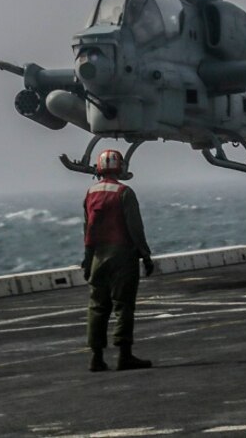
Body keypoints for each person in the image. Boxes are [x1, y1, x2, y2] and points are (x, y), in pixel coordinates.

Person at [81, 149, 154, 372]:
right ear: (120, 167)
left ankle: (96, 357)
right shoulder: (124, 192)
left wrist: (87, 260)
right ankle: (124, 355)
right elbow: (135, 227)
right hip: (122, 255)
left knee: (97, 306)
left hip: (97, 256)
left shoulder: (90, 193)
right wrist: (145, 254)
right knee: (123, 306)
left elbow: (87, 229)